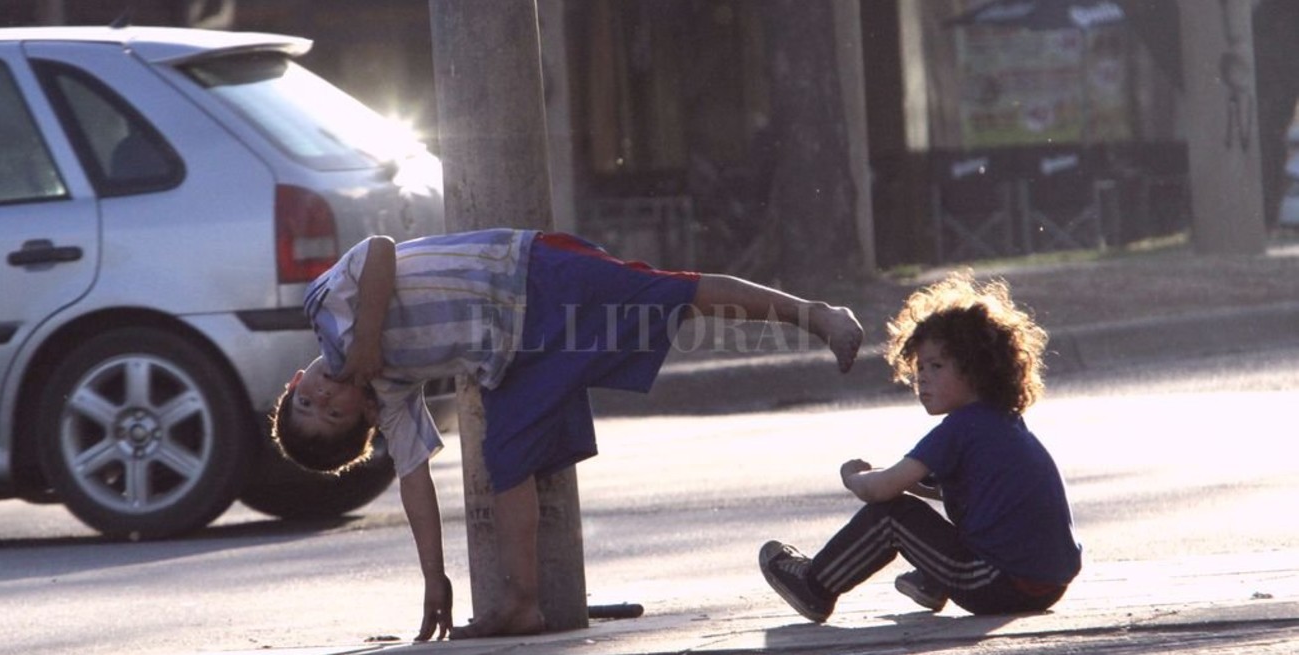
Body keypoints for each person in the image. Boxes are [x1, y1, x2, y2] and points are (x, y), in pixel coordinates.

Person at [269, 228, 864, 641]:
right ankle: (521, 602)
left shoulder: (326, 311)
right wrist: (433, 576)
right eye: (330, 414)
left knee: (674, 294)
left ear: (298, 377)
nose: (321, 398)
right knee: (505, 459)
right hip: (516, 354)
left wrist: (368, 337)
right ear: (365, 420)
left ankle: (817, 315)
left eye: (306, 400)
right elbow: (414, 483)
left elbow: (378, 250)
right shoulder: (392, 398)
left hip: (530, 270)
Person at [758, 270, 1080, 622]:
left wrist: (854, 477)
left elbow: (880, 491)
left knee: (894, 517)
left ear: (979, 371)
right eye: (919, 367)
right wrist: (901, 478)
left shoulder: (960, 427)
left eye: (937, 366)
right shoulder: (1001, 422)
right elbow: (954, 489)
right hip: (1048, 583)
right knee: (960, 517)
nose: (922, 377)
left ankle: (815, 587)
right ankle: (932, 580)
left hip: (997, 582)